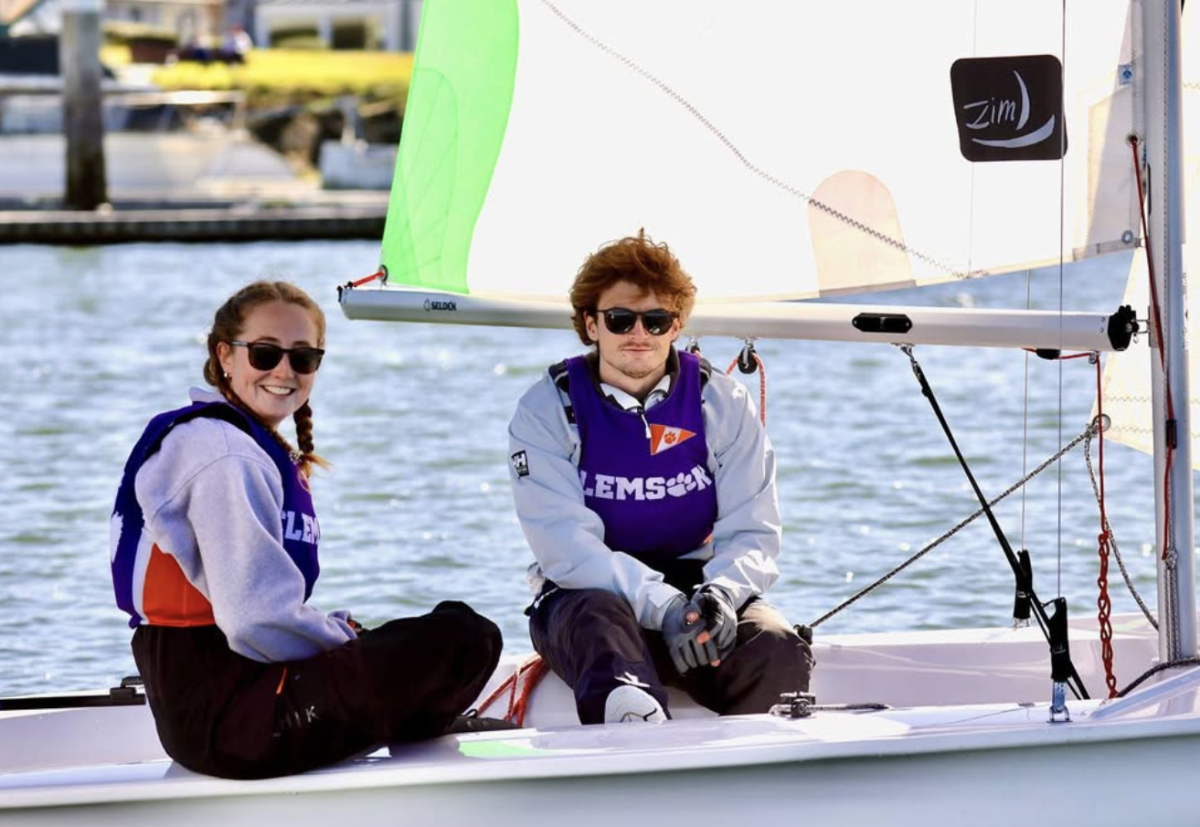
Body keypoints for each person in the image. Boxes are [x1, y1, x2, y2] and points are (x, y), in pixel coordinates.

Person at [110, 280, 502, 779]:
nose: (283, 371)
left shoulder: (241, 444)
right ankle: (417, 728)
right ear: (225, 355)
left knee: (425, 636)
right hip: (233, 722)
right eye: (266, 353)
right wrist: (344, 641)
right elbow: (256, 620)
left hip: (222, 709)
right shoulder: (221, 452)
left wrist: (345, 635)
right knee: (464, 636)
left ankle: (408, 723)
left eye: (303, 359)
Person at [508, 231, 814, 725]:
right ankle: (635, 764)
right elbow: (567, 549)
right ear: (591, 324)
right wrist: (664, 608)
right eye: (620, 319)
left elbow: (753, 531)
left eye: (656, 320)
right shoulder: (547, 409)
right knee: (604, 636)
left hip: (698, 590)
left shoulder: (722, 403)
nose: (639, 334)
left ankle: (754, 784)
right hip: (587, 597)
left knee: (778, 650)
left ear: (676, 326)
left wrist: (720, 596)